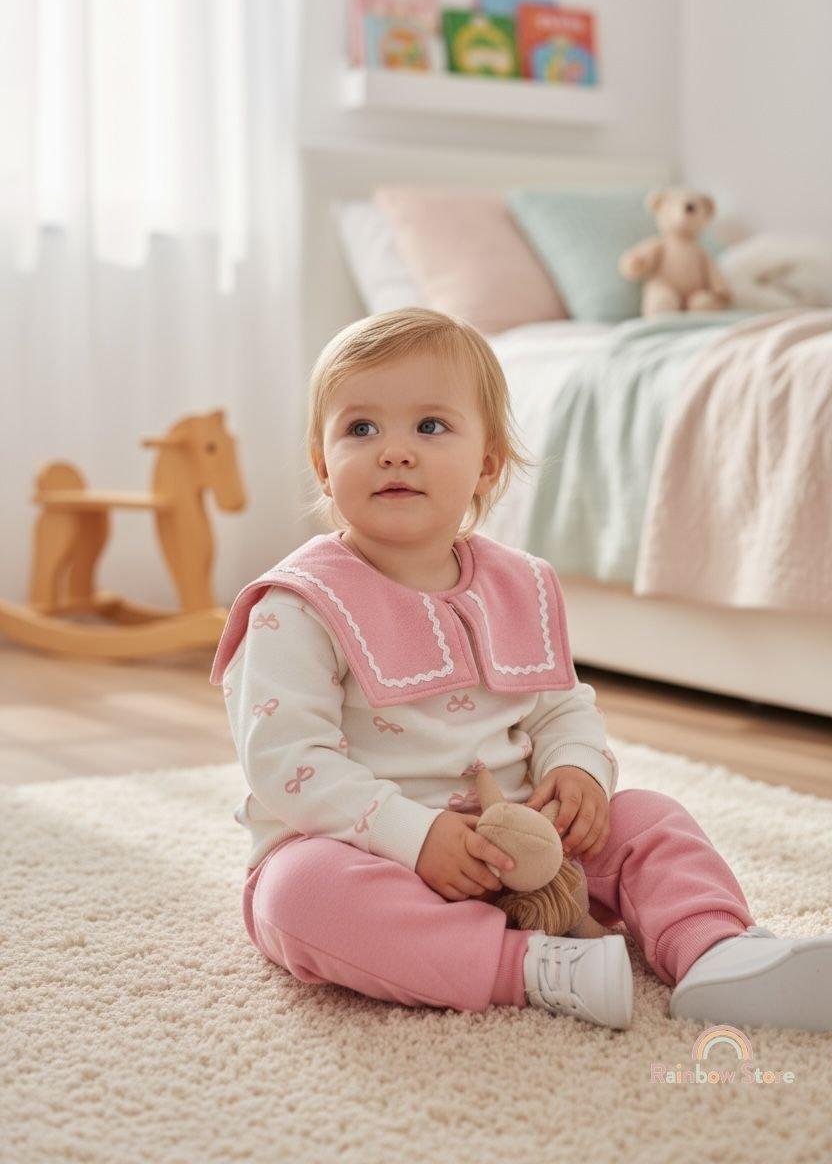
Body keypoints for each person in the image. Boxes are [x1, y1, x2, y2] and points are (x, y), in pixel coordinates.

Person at [210, 307, 832, 1032]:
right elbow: (287, 762)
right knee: (298, 897)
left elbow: (560, 706)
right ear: (323, 463)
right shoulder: (297, 605)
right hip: (369, 853)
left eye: (430, 426)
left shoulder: (519, 583)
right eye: (361, 429)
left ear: (488, 463)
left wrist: (575, 772)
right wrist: (415, 836)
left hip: (530, 850)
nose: (395, 452)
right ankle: (532, 967)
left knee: (650, 818)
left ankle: (715, 949)